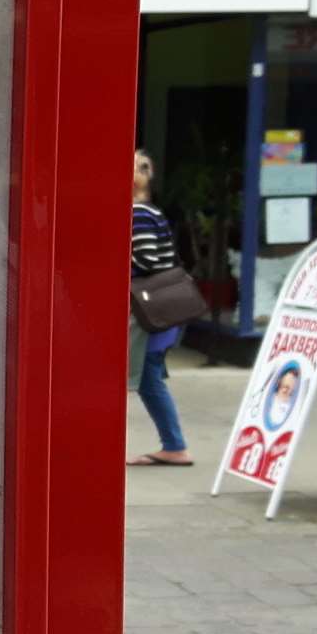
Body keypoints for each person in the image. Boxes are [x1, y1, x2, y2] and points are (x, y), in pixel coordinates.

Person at [128, 150, 191, 466]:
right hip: (157, 310)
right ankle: (173, 444)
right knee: (148, 377)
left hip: (150, 310)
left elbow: (148, 261)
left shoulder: (138, 213)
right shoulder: (146, 211)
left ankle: (175, 446)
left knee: (147, 377)